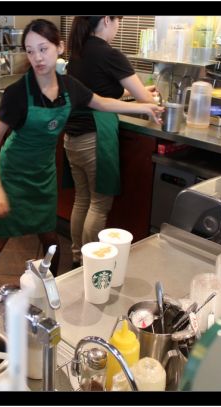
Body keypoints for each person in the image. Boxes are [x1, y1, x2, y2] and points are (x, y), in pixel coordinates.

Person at [0, 19, 163, 288]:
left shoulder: (69, 86)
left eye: (43, 49)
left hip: (43, 176)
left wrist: (143, 107)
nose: (38, 58)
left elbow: (101, 103)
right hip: (12, 175)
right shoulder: (17, 93)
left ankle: (49, 293)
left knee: (51, 241)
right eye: (30, 51)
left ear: (60, 47)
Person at [64, 16, 158, 269]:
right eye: (118, 20)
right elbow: (144, 99)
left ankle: (77, 257)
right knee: (99, 204)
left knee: (82, 200)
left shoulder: (79, 50)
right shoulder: (109, 54)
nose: (119, 26)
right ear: (106, 19)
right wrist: (149, 97)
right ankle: (90, 264)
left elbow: (101, 91)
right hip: (94, 137)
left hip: (72, 137)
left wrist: (136, 93)